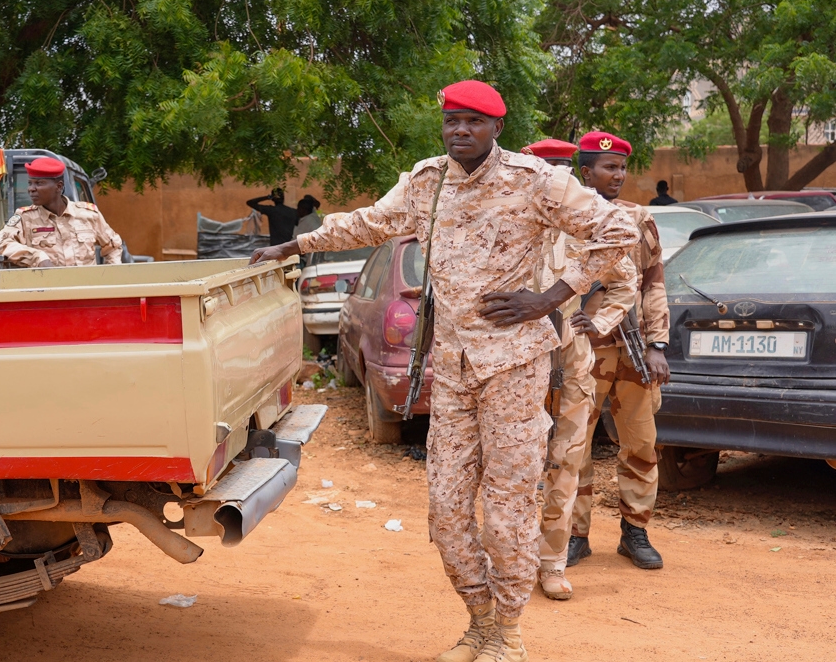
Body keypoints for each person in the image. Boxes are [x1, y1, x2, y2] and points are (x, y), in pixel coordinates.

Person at [251, 81, 638, 662]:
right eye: (452, 121)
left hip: (514, 365)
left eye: (474, 123)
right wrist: (294, 246)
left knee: (507, 513)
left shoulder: (536, 181)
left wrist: (552, 296)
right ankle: (478, 623)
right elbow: (366, 224)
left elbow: (619, 232)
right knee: (447, 513)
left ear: (497, 128)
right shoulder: (425, 183)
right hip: (451, 369)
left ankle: (508, 633)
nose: (461, 131)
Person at [522, 139, 638, 602]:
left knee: (567, 459)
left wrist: (599, 323)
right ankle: (510, 558)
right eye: (545, 169)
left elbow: (624, 282)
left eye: (559, 171)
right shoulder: (511, 219)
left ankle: (551, 562)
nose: (554, 180)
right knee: (511, 464)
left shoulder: (587, 221)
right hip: (516, 358)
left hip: (571, 357)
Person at [567, 131, 671, 573]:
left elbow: (653, 285)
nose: (619, 175)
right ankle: (574, 535)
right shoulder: (564, 217)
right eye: (609, 168)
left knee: (641, 444)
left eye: (623, 168)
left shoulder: (639, 218)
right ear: (585, 172)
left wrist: (658, 345)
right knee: (573, 447)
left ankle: (635, 531)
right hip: (580, 353)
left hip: (631, 352)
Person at [0, 157, 124, 267]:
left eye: (39, 183)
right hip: (47, 292)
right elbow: (0, 244)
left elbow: (113, 246)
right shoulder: (25, 217)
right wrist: (37, 257)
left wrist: (109, 275)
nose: (31, 189)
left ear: (59, 186)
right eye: (30, 183)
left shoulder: (88, 214)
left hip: (85, 290)